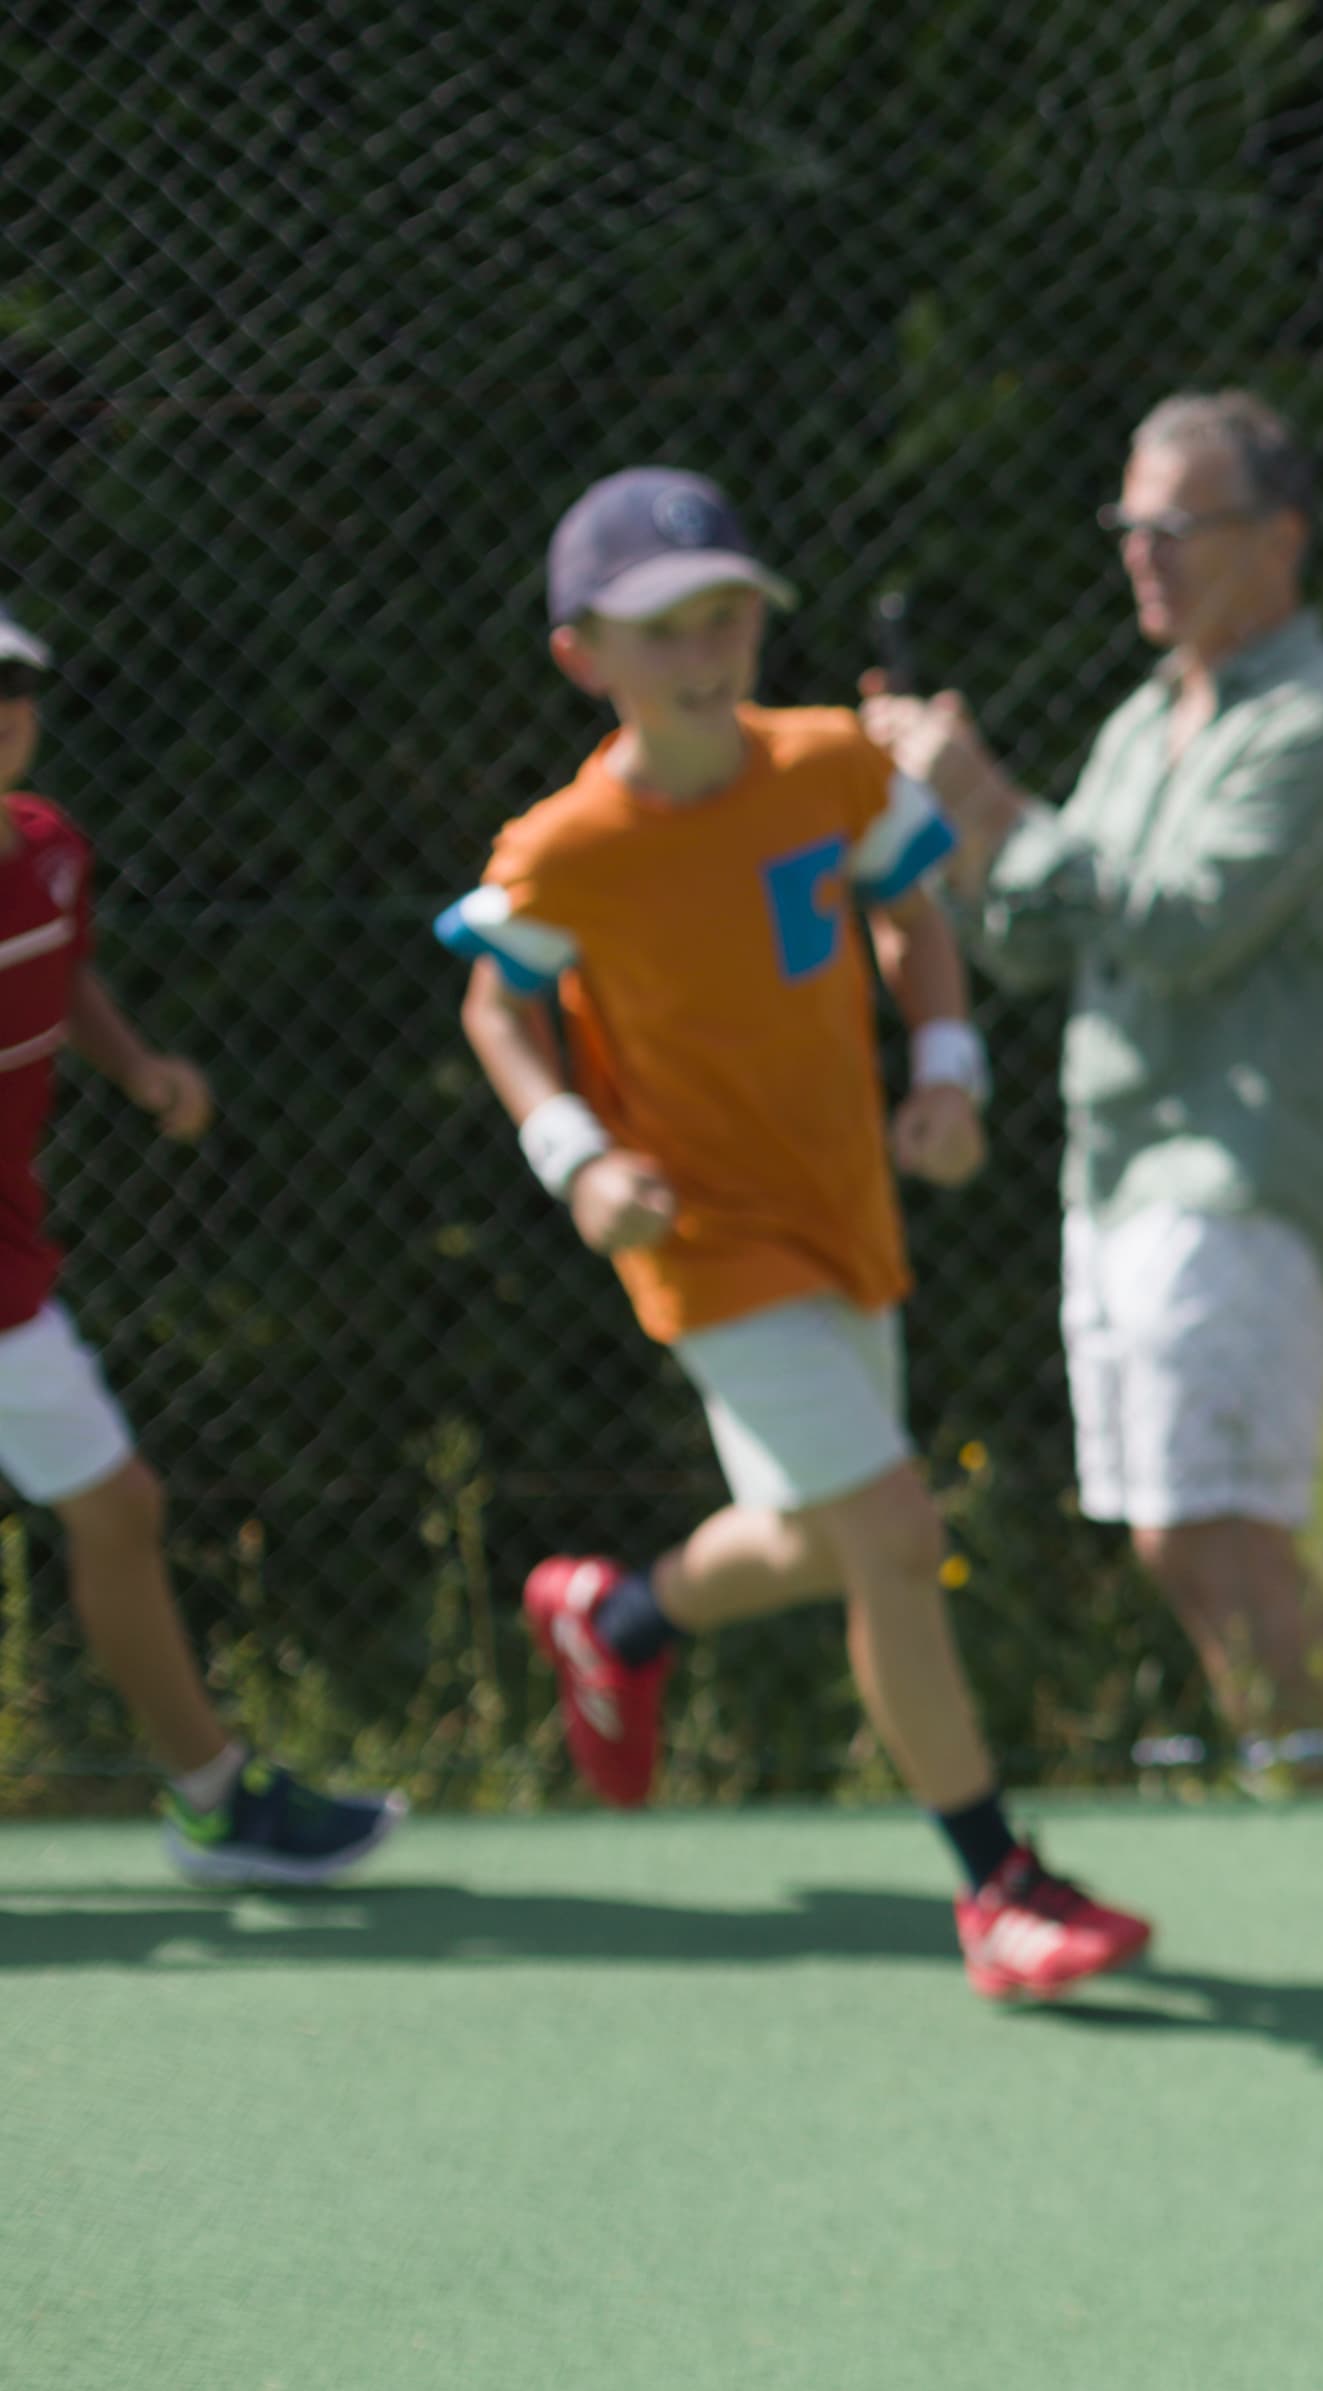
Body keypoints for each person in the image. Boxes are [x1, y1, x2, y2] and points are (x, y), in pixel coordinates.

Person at [440, 468, 1151, 2001]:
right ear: (587, 658)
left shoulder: (829, 766)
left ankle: (616, 1617)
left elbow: (911, 913)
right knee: (896, 1532)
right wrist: (575, 1157)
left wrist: (947, 1070)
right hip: (701, 1241)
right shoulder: (564, 849)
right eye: (664, 629)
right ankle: (999, 1885)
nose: (707, 651)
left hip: (846, 1213)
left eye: (729, 615)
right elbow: (496, 1002)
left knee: (821, 1536)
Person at [865, 391, 1323, 1777]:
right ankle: (1290, 1773)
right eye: (1128, 526)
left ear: (1278, 536)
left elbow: (1178, 923)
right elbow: (1036, 941)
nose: (1141, 556)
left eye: (1176, 525)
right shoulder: (1140, 720)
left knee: (1220, 1527)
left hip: (1237, 1178)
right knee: (1177, 1531)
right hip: (1114, 1181)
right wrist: (939, 834)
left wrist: (988, 806)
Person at [0, 604, 403, 1884]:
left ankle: (217, 1806)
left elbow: (62, 976)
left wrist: (138, 1068)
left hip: (7, 1266)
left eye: (13, 685)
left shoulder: (50, 849)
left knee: (118, 1506)